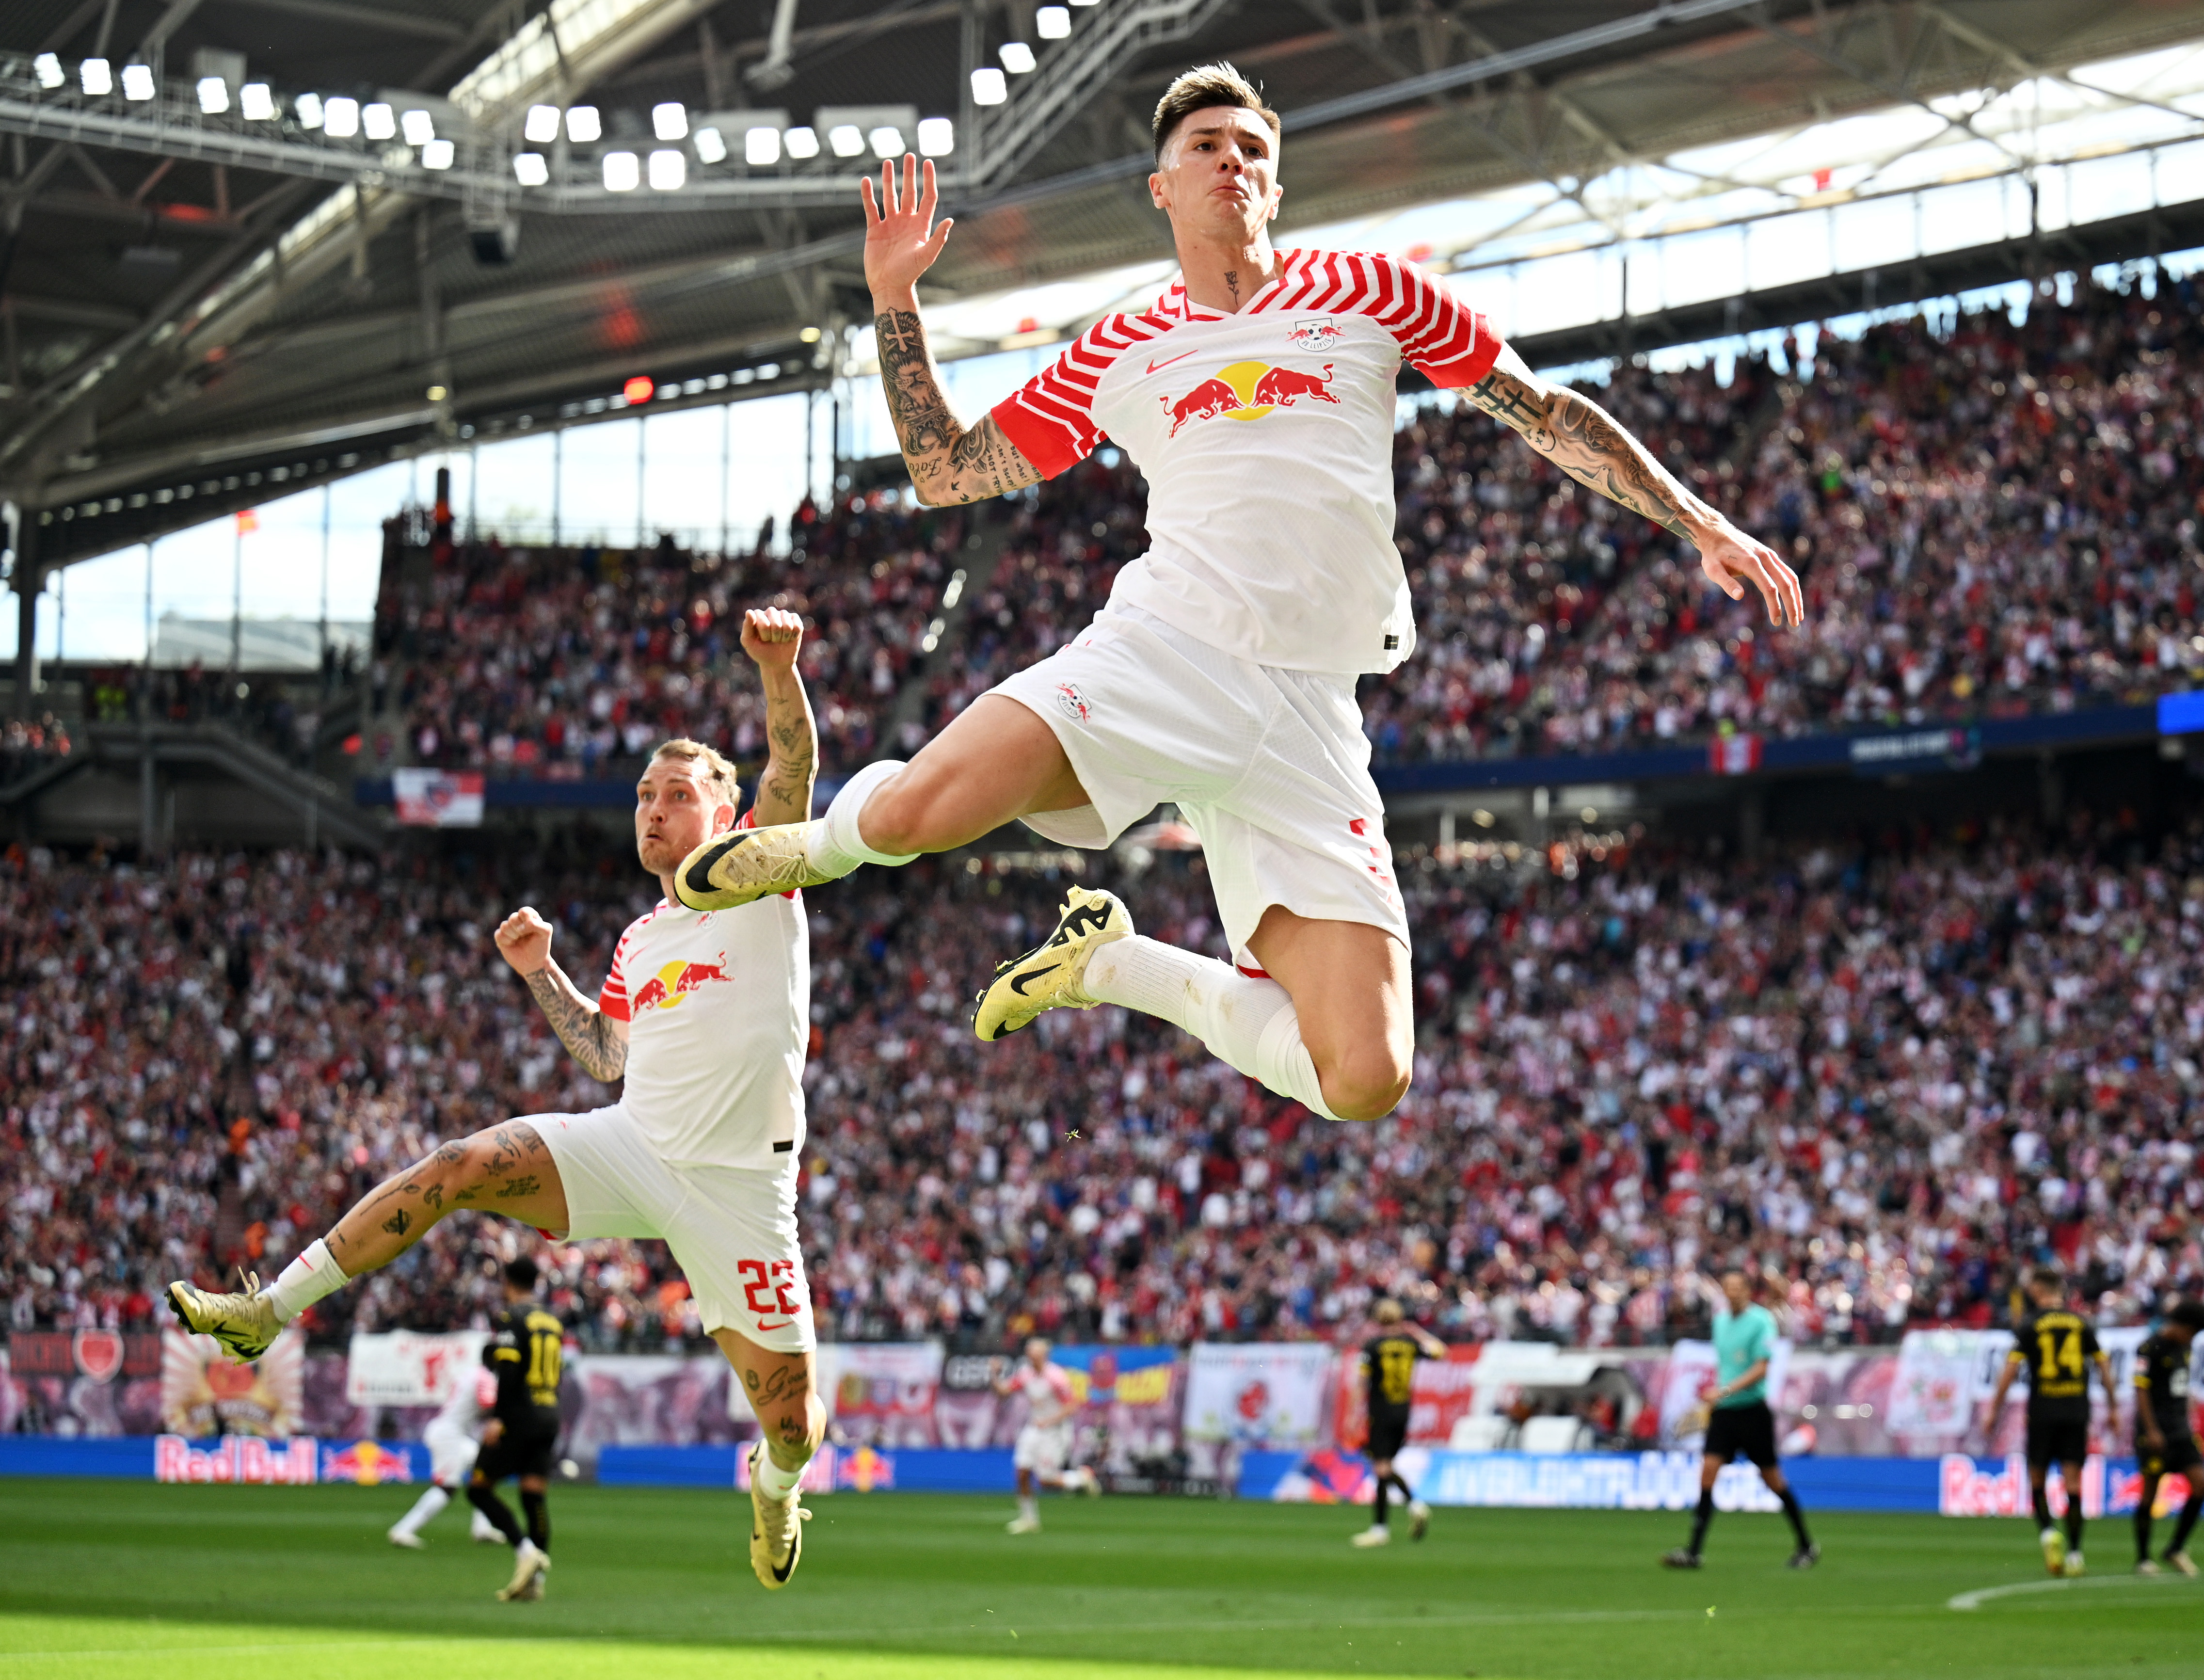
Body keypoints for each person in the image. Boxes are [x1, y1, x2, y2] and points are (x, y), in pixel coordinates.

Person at [670, 63, 1803, 1134]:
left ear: (1274, 179)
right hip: (1162, 650)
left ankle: (1111, 965)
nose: (1232, 162)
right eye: (1205, 146)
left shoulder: (1370, 295)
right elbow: (946, 472)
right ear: (1162, 188)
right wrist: (893, 301)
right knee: (915, 821)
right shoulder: (1119, 349)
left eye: (1251, 148)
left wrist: (1694, 518)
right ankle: (823, 845)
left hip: (1310, 710)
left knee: (1362, 1079)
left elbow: (1541, 411)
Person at [166, 608, 829, 1593]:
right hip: (634, 1145)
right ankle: (268, 1308)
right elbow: (608, 1055)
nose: (651, 809)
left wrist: (778, 669)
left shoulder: (761, 872)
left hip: (739, 1188)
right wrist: (541, 972)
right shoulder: (641, 939)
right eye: (644, 795)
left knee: (789, 1420)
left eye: (677, 794)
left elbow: (792, 765)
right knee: (458, 1165)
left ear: (724, 815)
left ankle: (774, 1490)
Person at [1663, 1269, 1816, 1570]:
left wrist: (1725, 1390)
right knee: (1708, 1471)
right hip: (1725, 1412)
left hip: (1751, 1410)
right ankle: (1694, 1551)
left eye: (1737, 1288)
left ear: (1748, 1291)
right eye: (1727, 1287)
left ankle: (1806, 1545)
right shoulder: (1720, 1322)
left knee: (1772, 1480)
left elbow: (1762, 1368)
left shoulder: (1762, 1321)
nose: (1732, 1293)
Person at [1980, 1264, 2117, 1577]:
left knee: (2038, 1479)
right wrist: (2111, 1406)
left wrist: (1994, 1410)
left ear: (2041, 1289)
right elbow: (2104, 1367)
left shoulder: (2031, 1324)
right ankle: (2076, 1552)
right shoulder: (2082, 1322)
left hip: (2043, 1410)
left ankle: (2047, 1532)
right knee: (2073, 1482)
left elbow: (2010, 1371)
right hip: (2075, 1409)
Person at [468, 1258, 564, 1600]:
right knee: (533, 1495)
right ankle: (534, 1584)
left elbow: (507, 1373)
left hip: (519, 1415)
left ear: (508, 1282)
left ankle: (526, 1552)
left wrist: (498, 1418)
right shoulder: (552, 1321)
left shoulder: (513, 1317)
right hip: (549, 1413)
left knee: (478, 1489)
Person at [1350, 1298, 1444, 1548]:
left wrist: (1352, 1415)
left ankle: (1389, 1523)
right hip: (1403, 1412)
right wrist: (1416, 1332)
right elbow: (1439, 1351)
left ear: (1378, 1320)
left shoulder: (1372, 1346)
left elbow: (1360, 1383)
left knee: (1381, 1468)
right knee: (1385, 1467)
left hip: (1380, 1411)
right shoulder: (1410, 1343)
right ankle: (1401, 1514)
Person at [388, 1350, 504, 1550]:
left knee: (486, 1470)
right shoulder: (486, 1379)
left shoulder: (473, 1373)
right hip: (450, 1436)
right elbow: (489, 1405)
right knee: (447, 1489)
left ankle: (482, 1528)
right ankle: (403, 1530)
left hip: (453, 1433)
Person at [994, 1336, 1100, 1533]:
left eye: (1034, 1352)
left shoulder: (1056, 1377)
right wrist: (994, 1375)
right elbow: (1004, 1392)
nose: (1030, 1355)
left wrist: (1049, 1421)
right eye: (1029, 1352)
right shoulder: (1025, 1374)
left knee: (1046, 1480)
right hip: (1034, 1428)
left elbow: (1072, 1406)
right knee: (1022, 1472)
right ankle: (1029, 1519)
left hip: (1055, 1430)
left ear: (1044, 1355)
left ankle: (1081, 1477)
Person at [2131, 1296, 2204, 1577]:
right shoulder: (2149, 1348)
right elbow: (2141, 1390)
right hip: (2155, 1430)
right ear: (2182, 1325)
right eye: (2193, 1331)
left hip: (2180, 1430)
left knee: (2200, 1485)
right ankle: (2143, 1557)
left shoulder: (2184, 1349)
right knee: (2150, 1490)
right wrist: (2151, 1430)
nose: (2192, 1338)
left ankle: (2175, 1547)